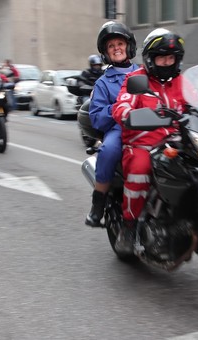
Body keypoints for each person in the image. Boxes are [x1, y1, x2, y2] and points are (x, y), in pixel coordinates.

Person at [111, 28, 187, 253]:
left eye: (170, 57)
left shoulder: (183, 82)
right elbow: (122, 103)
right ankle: (129, 226)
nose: (166, 62)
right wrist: (127, 114)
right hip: (143, 144)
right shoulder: (136, 79)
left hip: (177, 143)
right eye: (161, 57)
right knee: (140, 169)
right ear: (150, 59)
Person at [84, 21, 140, 227]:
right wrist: (119, 108)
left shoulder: (145, 73)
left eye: (120, 43)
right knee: (107, 150)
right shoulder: (103, 82)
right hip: (121, 129)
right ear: (106, 53)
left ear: (129, 46)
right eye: (111, 45)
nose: (116, 48)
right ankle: (98, 204)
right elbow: (97, 116)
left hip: (150, 126)